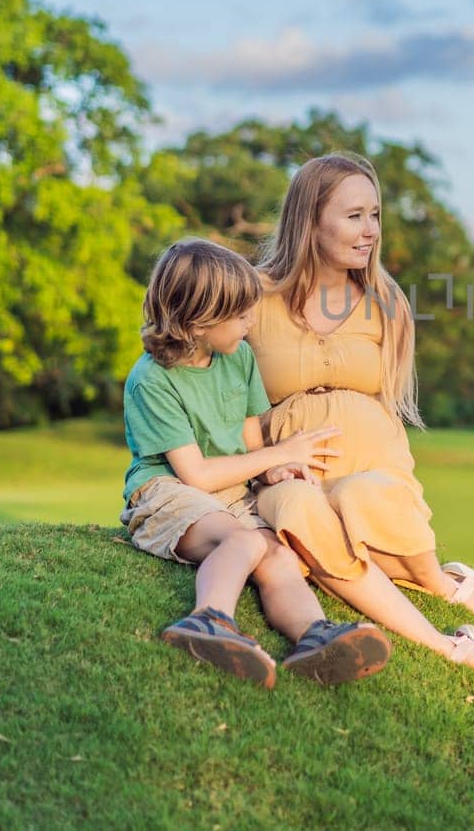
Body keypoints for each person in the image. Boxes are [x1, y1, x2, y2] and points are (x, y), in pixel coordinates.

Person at [244, 152, 474, 687]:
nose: (371, 230)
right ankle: (448, 638)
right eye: (354, 216)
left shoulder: (385, 302)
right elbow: (231, 405)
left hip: (375, 462)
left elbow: (389, 404)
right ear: (310, 219)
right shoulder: (253, 297)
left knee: (360, 497)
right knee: (302, 511)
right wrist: (267, 467)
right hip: (288, 469)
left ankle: (439, 583)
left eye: (375, 215)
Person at [119, 237, 393, 687]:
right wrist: (281, 452)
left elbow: (249, 443)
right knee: (244, 543)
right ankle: (207, 621)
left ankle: (314, 637)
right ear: (201, 321)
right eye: (241, 314)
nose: (251, 321)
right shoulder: (151, 380)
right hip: (166, 493)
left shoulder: (238, 357)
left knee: (278, 557)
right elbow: (196, 475)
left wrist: (273, 468)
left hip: (227, 493)